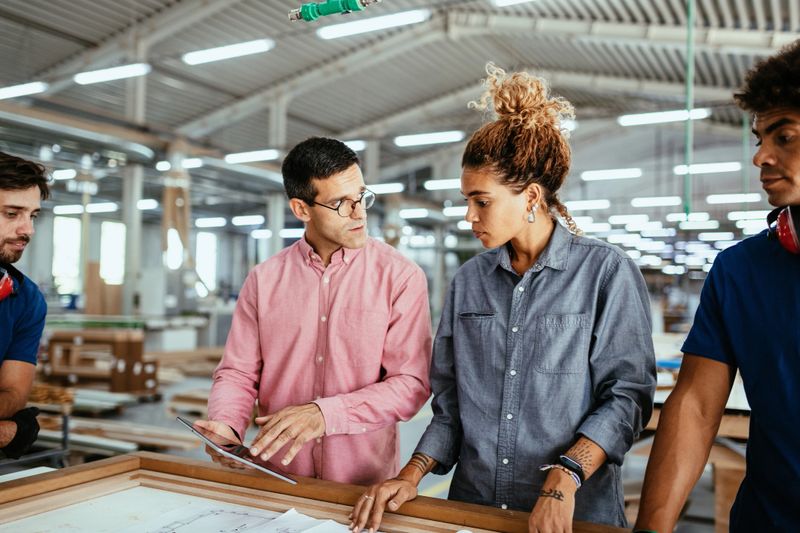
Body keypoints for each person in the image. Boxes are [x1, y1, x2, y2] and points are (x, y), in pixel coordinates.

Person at [350, 66, 656, 533]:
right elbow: (451, 406)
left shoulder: (605, 273)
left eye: (482, 201)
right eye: (466, 201)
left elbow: (626, 397)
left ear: (531, 197)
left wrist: (563, 479)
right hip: (476, 510)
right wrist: (411, 474)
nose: (469, 216)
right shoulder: (469, 281)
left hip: (571, 514)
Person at [635, 40, 800, 533]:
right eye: (759, 139)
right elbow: (696, 406)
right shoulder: (740, 272)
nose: (761, 156)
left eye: (785, 136)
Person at [200, 137, 432, 485]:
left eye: (361, 196)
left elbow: (411, 384)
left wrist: (326, 415)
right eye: (340, 203)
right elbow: (238, 372)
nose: (359, 213)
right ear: (301, 209)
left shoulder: (400, 277)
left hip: (360, 487)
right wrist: (226, 423)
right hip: (276, 478)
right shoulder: (264, 280)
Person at [0, 152, 49, 459]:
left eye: (33, 216)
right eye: (11, 214)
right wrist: (9, 432)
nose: (28, 230)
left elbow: (14, 394)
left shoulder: (26, 299)